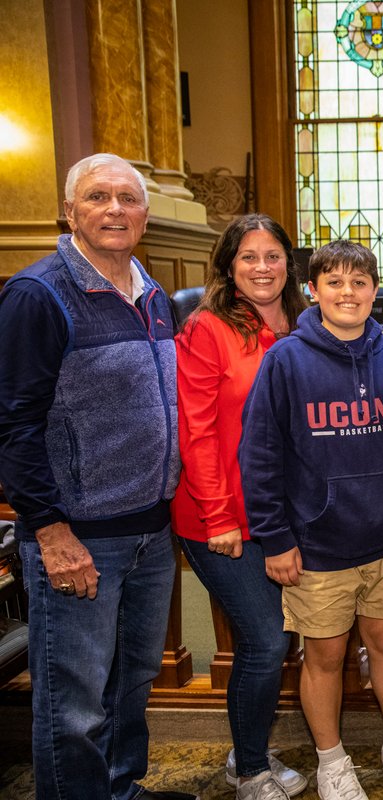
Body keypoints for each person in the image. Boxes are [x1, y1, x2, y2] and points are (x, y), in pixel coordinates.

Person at [0, 153, 195, 800]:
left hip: (147, 531)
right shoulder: (39, 294)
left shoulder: (152, 291)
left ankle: (120, 790)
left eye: (127, 198)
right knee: (74, 704)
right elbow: (14, 424)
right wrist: (50, 531)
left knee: (130, 684)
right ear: (69, 210)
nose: (114, 209)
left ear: (144, 213)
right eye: (96, 197)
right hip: (79, 535)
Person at [239, 241, 383, 800]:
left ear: (376, 292)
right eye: (335, 283)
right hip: (316, 542)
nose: (349, 293)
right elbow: (260, 455)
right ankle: (332, 760)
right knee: (325, 654)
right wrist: (275, 538)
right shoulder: (286, 360)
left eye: (360, 282)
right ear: (313, 291)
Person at [171, 214, 309, 800]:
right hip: (219, 517)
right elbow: (196, 430)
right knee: (263, 639)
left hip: (282, 515)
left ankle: (250, 749)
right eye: (248, 256)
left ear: (288, 263)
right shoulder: (208, 328)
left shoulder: (306, 322)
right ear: (229, 266)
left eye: (272, 255)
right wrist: (220, 516)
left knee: (276, 640)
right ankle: (248, 769)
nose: (262, 267)